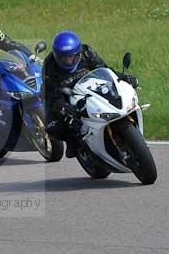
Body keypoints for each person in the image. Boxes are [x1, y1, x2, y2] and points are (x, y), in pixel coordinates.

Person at [43, 30, 139, 158]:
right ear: (56, 55)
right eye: (63, 58)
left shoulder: (87, 52)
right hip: (66, 93)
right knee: (53, 126)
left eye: (72, 56)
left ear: (78, 53)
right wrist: (62, 106)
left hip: (90, 85)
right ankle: (74, 143)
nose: (68, 61)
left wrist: (123, 77)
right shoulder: (49, 66)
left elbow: (104, 69)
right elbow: (51, 93)